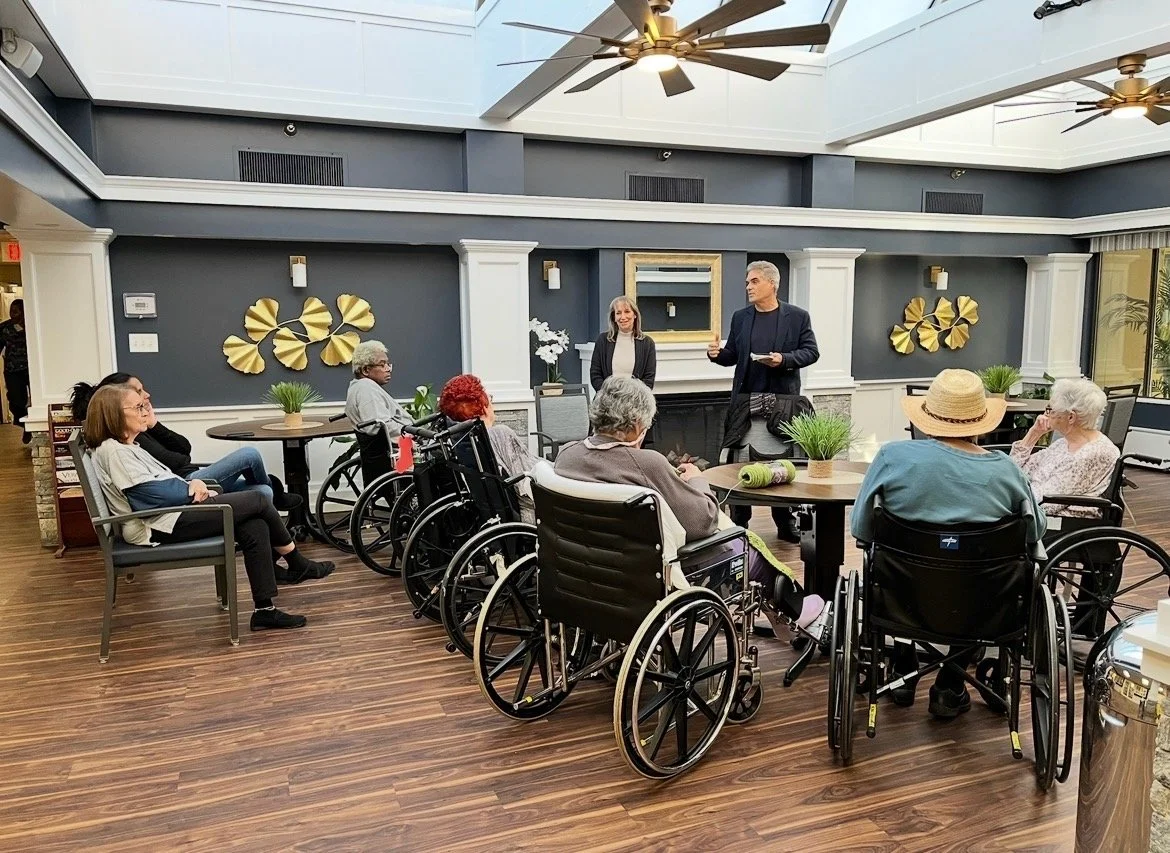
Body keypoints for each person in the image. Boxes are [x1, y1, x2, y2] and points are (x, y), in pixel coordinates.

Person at [554, 376, 832, 643]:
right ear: (638, 423)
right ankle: (801, 611)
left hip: (588, 571)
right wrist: (698, 479)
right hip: (652, 574)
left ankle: (784, 614)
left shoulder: (568, 455)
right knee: (747, 550)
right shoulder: (647, 463)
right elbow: (703, 521)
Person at [851, 369, 1046, 719]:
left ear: (926, 420)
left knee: (894, 572)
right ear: (980, 423)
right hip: (983, 601)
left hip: (903, 595)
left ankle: (904, 666)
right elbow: (1034, 534)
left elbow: (862, 531)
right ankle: (950, 683)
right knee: (982, 584)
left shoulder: (892, 458)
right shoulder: (1006, 470)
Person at [83, 385, 334, 629]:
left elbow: (160, 482)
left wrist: (195, 485)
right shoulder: (115, 452)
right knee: (257, 499)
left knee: (253, 524)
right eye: (137, 407)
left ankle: (264, 611)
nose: (144, 411)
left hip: (170, 516)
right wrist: (190, 490)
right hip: (158, 524)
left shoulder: (127, 447)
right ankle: (297, 561)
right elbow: (148, 496)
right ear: (114, 415)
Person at [70, 373, 301, 511]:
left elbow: (184, 447)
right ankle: (276, 494)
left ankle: (272, 506)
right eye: (139, 392)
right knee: (249, 454)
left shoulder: (141, 426)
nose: (146, 396)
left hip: (190, 479)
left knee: (262, 490)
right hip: (185, 483)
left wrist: (155, 425)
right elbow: (175, 461)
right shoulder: (127, 439)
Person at [707, 261, 819, 542]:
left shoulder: (797, 317)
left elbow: (811, 352)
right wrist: (716, 355)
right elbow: (732, 355)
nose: (748, 286)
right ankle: (740, 523)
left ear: (772, 284)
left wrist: (783, 360)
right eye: (748, 282)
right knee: (740, 462)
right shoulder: (741, 317)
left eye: (754, 281)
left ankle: (784, 521)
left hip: (783, 403)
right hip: (746, 402)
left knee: (780, 462)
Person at [438, 374, 541, 525]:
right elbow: (529, 483)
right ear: (484, 407)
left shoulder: (461, 439)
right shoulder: (500, 435)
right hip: (528, 515)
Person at [1009, 378, 1119, 518]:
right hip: (1031, 506)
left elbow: (1048, 503)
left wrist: (1007, 498)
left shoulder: (1091, 454)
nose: (1045, 415)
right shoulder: (1063, 444)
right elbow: (1014, 471)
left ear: (1071, 417)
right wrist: (1033, 435)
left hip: (1056, 521)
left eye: (1051, 410)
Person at [345, 340, 413, 482]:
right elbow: (380, 425)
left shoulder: (357, 386)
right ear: (365, 370)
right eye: (382, 365)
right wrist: (412, 435)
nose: (388, 369)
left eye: (388, 364)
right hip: (396, 453)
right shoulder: (366, 388)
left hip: (385, 451)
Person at [589, 296, 657, 392]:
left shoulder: (648, 343)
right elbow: (595, 375)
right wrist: (610, 395)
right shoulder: (603, 340)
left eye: (627, 312)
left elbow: (649, 380)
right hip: (606, 400)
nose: (623, 317)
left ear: (635, 315)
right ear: (614, 317)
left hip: (635, 402)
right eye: (618, 313)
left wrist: (629, 397)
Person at [0, 298, 30, 444]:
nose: (13, 314)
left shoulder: (32, 325)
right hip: (13, 370)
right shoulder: (4, 328)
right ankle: (25, 425)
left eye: (16, 311)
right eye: (11, 311)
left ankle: (31, 426)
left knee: (37, 401)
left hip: (31, 370)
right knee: (15, 401)